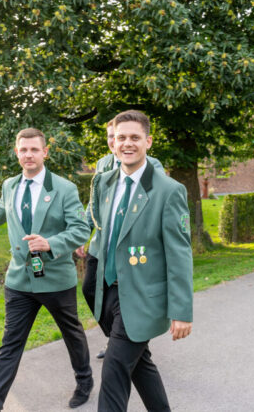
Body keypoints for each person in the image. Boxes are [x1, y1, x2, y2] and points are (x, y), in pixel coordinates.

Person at [0, 128, 93, 411]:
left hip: (56, 280)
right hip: (19, 280)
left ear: (45, 152)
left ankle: (84, 380)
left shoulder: (64, 188)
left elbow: (80, 229)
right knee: (10, 343)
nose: (29, 155)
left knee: (72, 334)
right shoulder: (9, 185)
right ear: (17, 152)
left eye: (34, 149)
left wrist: (51, 243)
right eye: (23, 150)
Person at [90, 109, 193, 411]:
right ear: (113, 143)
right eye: (121, 137)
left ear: (148, 142)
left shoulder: (169, 191)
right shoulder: (103, 183)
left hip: (143, 298)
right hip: (109, 294)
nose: (127, 143)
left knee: (114, 372)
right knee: (140, 365)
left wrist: (181, 311)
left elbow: (179, 255)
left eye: (135, 137)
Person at [77, 118, 164, 359]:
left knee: (124, 299)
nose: (114, 141)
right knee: (90, 290)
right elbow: (93, 204)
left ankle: (123, 344)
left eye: (126, 137)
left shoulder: (153, 165)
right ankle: (118, 340)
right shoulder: (103, 164)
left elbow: (157, 201)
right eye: (111, 137)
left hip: (132, 248)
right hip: (101, 246)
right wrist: (83, 234)